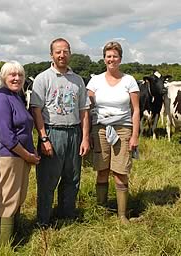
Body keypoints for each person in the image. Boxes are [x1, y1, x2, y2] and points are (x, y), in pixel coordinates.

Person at [30, 38, 90, 227]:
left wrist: (85, 138)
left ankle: (66, 216)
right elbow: (36, 110)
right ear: (51, 55)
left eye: (65, 51)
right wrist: (44, 138)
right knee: (48, 180)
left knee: (72, 178)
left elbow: (84, 111)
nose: (62, 55)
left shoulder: (77, 80)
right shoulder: (43, 78)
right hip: (52, 131)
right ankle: (44, 221)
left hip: (74, 132)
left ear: (70, 53)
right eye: (58, 52)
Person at [86, 41, 140, 224]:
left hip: (123, 129)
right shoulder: (95, 81)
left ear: (120, 59)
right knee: (102, 170)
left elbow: (136, 110)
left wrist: (134, 135)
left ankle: (122, 215)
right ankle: (101, 211)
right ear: (104, 59)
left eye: (115, 56)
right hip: (100, 128)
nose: (111, 59)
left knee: (120, 171)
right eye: (108, 56)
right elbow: (87, 107)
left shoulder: (129, 80)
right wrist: (87, 134)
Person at [0, 61, 40, 246]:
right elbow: (5, 135)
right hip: (8, 155)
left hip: (21, 155)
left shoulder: (16, 96)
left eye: (20, 75)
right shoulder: (1, 98)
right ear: (3, 77)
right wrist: (27, 155)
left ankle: (14, 236)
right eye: (12, 75)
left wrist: (29, 153)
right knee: (8, 198)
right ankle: (3, 244)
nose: (17, 78)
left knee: (18, 196)